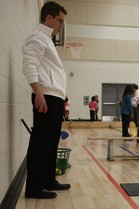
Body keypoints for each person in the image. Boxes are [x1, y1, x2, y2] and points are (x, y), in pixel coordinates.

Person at [22, 1, 70, 199]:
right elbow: (29, 66)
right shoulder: (37, 37)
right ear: (48, 18)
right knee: (41, 143)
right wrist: (39, 92)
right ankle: (34, 187)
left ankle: (49, 180)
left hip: (55, 97)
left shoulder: (48, 40)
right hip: (46, 96)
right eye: (59, 21)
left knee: (51, 143)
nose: (61, 26)